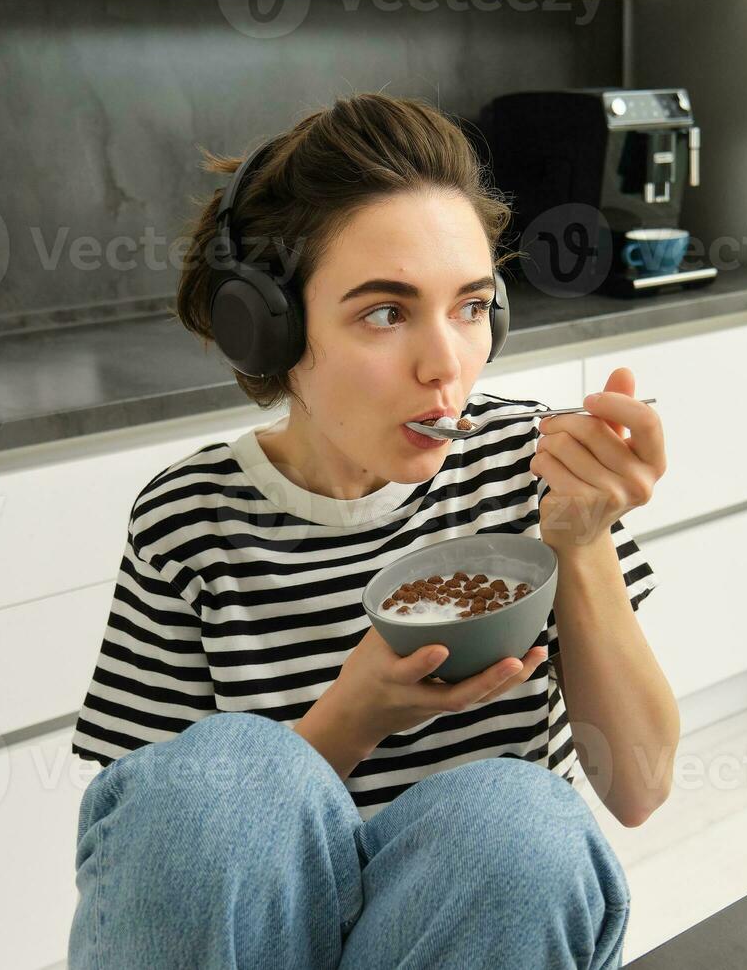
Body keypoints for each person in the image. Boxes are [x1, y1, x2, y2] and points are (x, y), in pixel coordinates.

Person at [65, 92, 681, 968]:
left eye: (470, 307)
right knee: (230, 773)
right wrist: (353, 716)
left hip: (466, 931)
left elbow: (640, 788)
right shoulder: (189, 520)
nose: (446, 366)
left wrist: (580, 543)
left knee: (516, 823)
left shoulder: (533, 471)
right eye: (385, 313)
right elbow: (163, 856)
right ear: (269, 327)